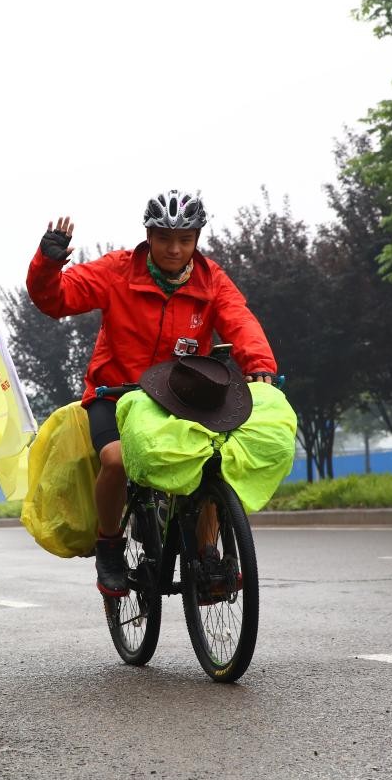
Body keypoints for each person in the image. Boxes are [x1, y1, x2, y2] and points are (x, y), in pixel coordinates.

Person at [26, 189, 278, 597]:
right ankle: (110, 544)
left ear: (197, 238)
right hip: (117, 391)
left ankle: (206, 553)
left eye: (184, 239)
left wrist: (260, 365)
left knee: (211, 461)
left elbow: (239, 319)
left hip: (183, 393)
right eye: (164, 239)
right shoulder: (117, 271)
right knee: (115, 460)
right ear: (148, 235)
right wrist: (47, 264)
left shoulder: (210, 279)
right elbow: (55, 299)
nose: (174, 249)